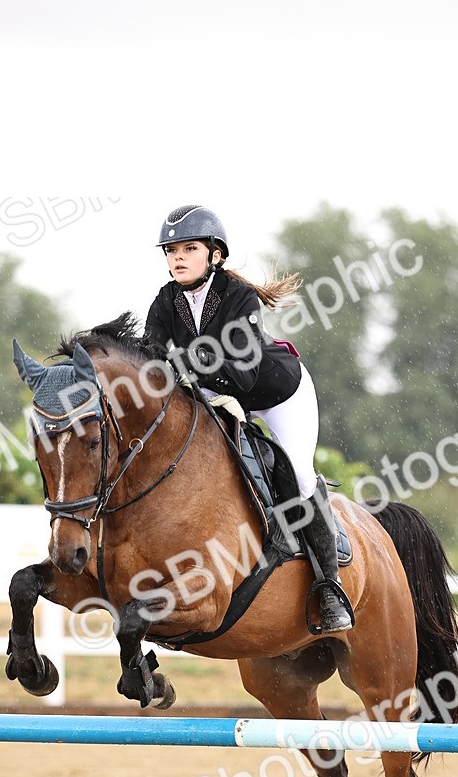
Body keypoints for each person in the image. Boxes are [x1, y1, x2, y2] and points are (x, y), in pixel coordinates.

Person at [145, 204, 353, 634]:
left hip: (278, 395)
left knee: (296, 475)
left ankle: (330, 588)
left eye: (188, 248)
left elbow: (243, 372)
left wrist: (186, 367)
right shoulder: (166, 302)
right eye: (171, 250)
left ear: (215, 254)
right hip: (217, 397)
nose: (177, 257)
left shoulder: (238, 297)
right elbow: (151, 363)